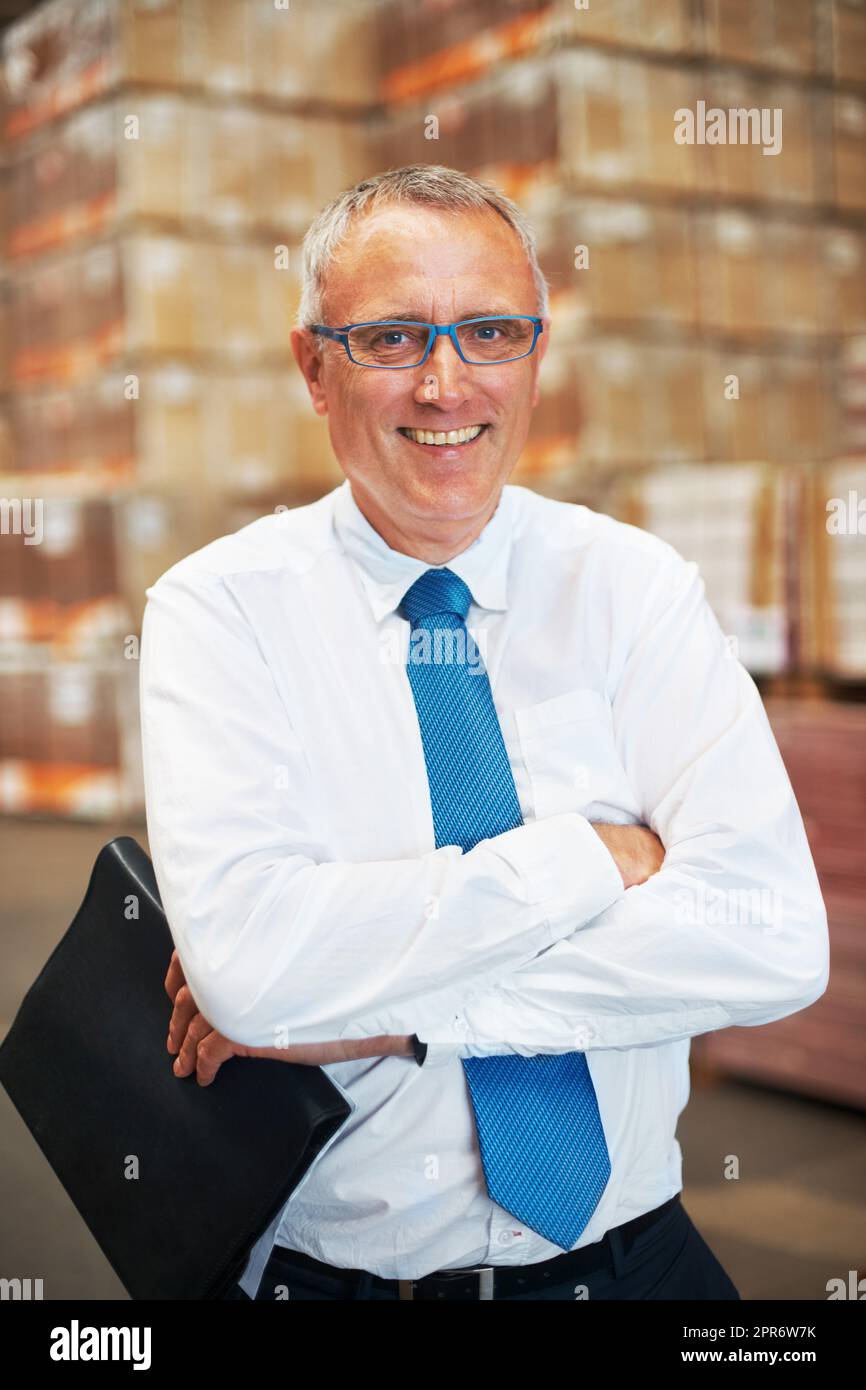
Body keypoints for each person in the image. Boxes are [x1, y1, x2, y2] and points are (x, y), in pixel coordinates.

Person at [139, 164, 829, 1301]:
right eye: (394, 337)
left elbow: (767, 939)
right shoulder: (219, 615)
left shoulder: (635, 591)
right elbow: (255, 971)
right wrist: (584, 858)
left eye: (490, 332)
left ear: (536, 357)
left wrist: (387, 1022)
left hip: (637, 1266)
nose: (447, 383)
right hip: (345, 1284)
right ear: (313, 365)